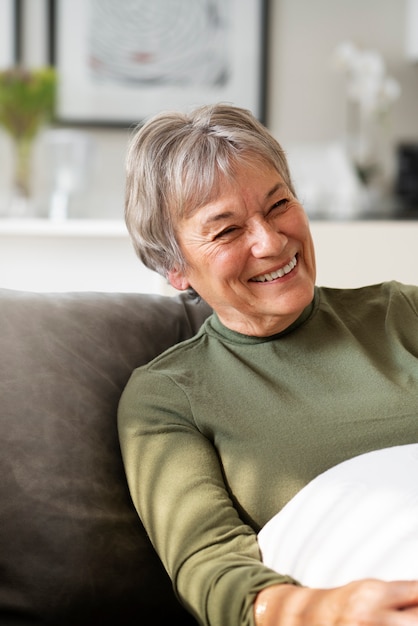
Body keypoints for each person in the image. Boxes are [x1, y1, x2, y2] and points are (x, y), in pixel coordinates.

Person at [117, 102, 418, 626]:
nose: (272, 242)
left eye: (279, 205)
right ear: (176, 268)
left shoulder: (400, 312)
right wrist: (326, 609)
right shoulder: (167, 397)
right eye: (227, 231)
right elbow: (208, 563)